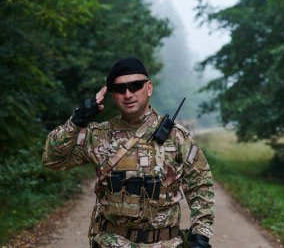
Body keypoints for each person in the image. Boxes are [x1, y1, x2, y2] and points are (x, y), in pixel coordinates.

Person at [42, 56, 215, 248]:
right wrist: (76, 122)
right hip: (112, 243)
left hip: (165, 243)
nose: (128, 94)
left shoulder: (177, 136)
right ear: (113, 95)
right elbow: (52, 160)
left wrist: (201, 234)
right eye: (120, 88)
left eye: (135, 85)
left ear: (148, 88)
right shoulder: (98, 135)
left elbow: (201, 185)